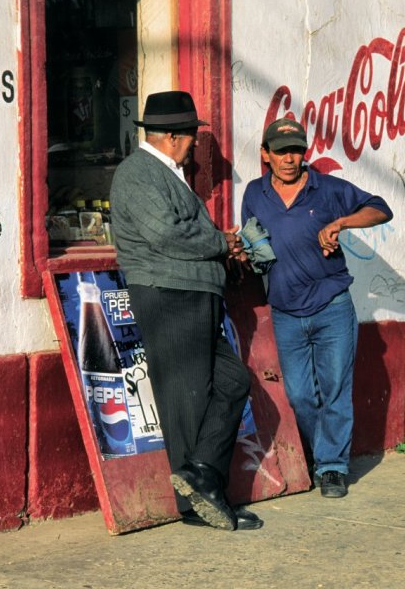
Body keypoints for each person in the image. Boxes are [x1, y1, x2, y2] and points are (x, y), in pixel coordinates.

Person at [109, 91, 261, 531]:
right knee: (188, 400)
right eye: (192, 136)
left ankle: (203, 480)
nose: (195, 143)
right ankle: (198, 501)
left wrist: (218, 247)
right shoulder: (138, 173)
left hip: (189, 293)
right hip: (170, 295)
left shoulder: (164, 173)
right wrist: (221, 242)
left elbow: (176, 231)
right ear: (174, 137)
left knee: (230, 382)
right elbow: (166, 235)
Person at [241, 118, 393, 498]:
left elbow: (381, 209)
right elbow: (253, 240)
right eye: (281, 151)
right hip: (286, 311)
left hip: (332, 306)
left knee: (336, 389)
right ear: (266, 154)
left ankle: (332, 467)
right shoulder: (254, 193)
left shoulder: (327, 189)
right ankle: (320, 452)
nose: (290, 159)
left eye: (296, 151)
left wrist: (341, 223)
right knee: (300, 395)